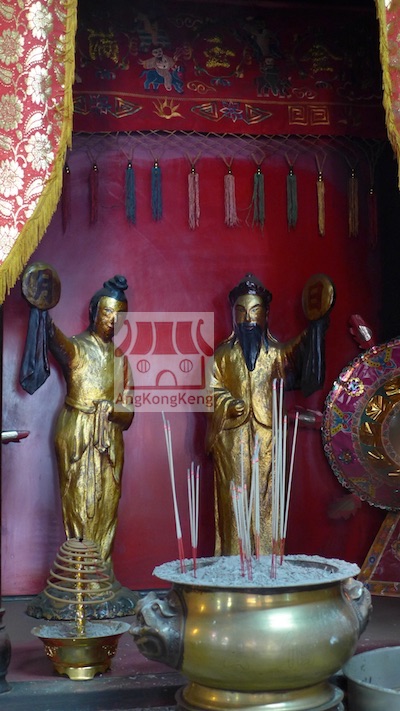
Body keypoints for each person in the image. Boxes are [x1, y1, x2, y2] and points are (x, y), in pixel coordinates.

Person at [206, 273, 332, 556]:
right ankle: (232, 560)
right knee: (233, 497)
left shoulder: (276, 354)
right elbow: (209, 389)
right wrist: (227, 403)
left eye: (255, 311)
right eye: (241, 311)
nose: (247, 319)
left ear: (266, 315)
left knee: (267, 495)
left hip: (267, 432)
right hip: (232, 435)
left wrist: (316, 326)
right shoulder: (222, 355)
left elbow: (300, 356)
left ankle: (266, 559)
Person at [20, 268, 134, 567]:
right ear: (94, 312)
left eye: (120, 315)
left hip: (109, 439)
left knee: (108, 505)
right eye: (107, 312)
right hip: (78, 435)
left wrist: (113, 409)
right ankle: (79, 573)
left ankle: (102, 573)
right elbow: (55, 340)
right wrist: (42, 309)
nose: (113, 320)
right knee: (79, 504)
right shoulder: (77, 347)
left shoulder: (121, 360)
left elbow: (129, 411)